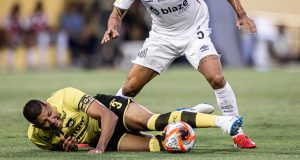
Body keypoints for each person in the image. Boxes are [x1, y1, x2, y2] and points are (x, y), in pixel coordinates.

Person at [101, 0, 257, 148]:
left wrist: (242, 14)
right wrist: (112, 27)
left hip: (195, 31)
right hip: (162, 36)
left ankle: (237, 133)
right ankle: (109, 126)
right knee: (129, 87)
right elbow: (116, 13)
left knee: (216, 78)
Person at [23, 87, 243, 154]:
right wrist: (67, 148)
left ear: (49, 105)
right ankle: (188, 113)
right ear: (36, 126)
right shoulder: (36, 137)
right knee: (161, 146)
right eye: (46, 123)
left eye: (51, 115)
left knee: (154, 122)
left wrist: (99, 149)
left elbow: (107, 116)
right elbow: (60, 147)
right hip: (102, 138)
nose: (53, 122)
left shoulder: (65, 96)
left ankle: (222, 121)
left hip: (108, 111)